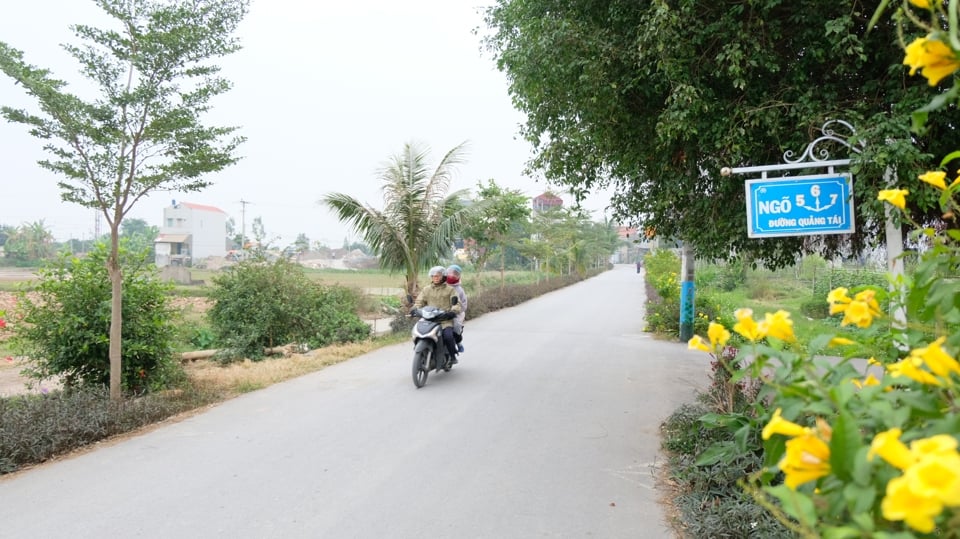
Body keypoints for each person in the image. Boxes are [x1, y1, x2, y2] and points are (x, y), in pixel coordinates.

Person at [413, 265, 461, 365]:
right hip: (429, 319)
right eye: (433, 276)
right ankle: (421, 351)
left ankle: (452, 356)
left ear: (443, 277)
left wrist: (452, 311)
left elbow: (456, 303)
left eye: (438, 276)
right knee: (417, 333)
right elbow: (419, 301)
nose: (435, 278)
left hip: (445, 320)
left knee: (448, 336)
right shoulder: (426, 289)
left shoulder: (450, 290)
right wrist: (414, 309)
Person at [445, 264, 468, 353]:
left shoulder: (459, 290)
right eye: (450, 273)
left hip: (456, 314)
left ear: (459, 276)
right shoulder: (441, 286)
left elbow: (464, 305)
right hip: (441, 312)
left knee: (456, 328)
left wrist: (454, 311)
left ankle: (458, 343)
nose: (452, 275)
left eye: (455, 274)